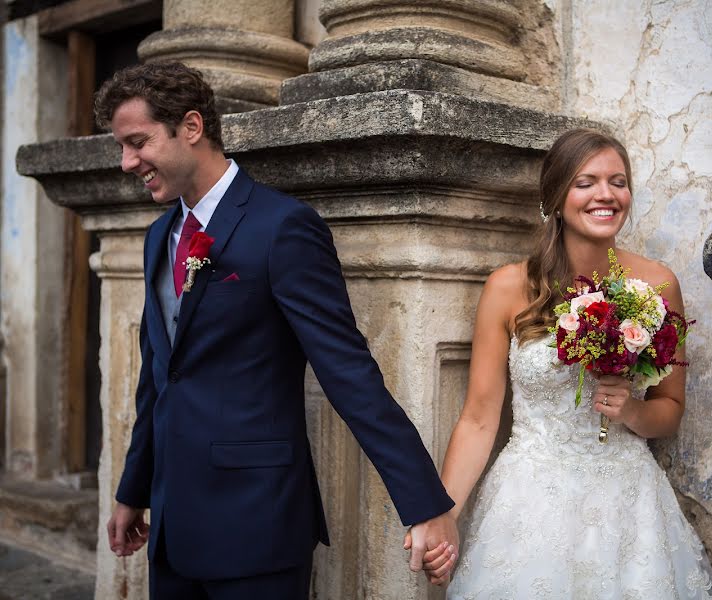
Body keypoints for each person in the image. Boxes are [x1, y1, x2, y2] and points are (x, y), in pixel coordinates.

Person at [95, 61, 457, 599]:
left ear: (190, 127)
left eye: (137, 142)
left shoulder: (282, 226)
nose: (127, 162)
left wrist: (426, 503)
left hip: (256, 523)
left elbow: (347, 371)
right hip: (172, 528)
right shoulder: (158, 236)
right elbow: (159, 377)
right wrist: (134, 491)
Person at [438, 129, 712, 598]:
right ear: (555, 195)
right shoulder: (508, 287)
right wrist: (444, 513)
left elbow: (670, 409)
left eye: (618, 181)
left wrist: (630, 410)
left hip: (626, 503)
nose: (606, 194)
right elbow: (479, 418)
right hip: (530, 501)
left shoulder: (658, 284)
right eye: (586, 182)